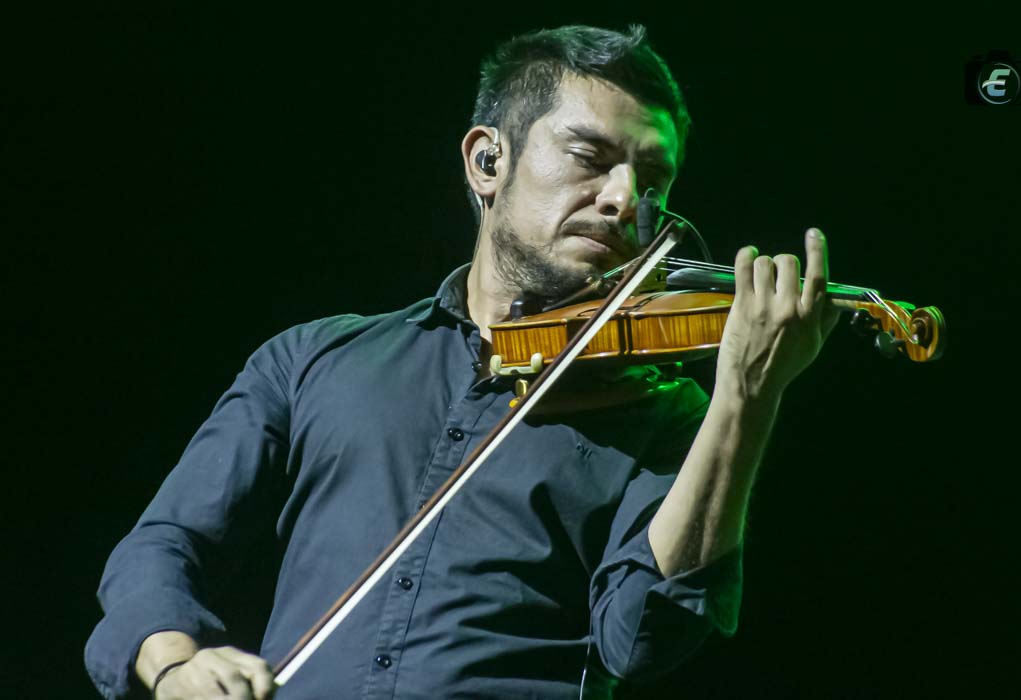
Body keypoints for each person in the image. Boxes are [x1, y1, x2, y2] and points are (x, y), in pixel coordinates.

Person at [85, 24, 838, 700]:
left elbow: (645, 636)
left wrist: (745, 400)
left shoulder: (665, 412)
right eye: (591, 157)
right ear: (487, 161)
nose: (623, 198)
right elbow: (165, 544)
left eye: (652, 179)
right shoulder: (312, 359)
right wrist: (174, 662)